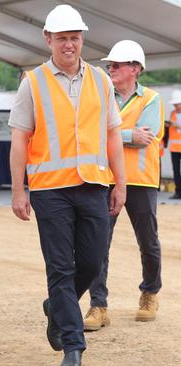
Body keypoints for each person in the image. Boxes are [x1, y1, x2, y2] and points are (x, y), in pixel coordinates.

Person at [8, 5, 126, 366]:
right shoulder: (34, 82)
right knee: (60, 267)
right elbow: (18, 139)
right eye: (62, 38)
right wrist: (17, 189)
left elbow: (113, 136)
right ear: (48, 39)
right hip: (50, 189)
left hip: (93, 186)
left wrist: (120, 184)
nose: (69, 45)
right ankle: (73, 348)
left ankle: (56, 306)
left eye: (74, 38)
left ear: (82, 39)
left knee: (91, 263)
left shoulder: (101, 81)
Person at [83, 40, 164, 330]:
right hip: (106, 180)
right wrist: (128, 135)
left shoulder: (152, 99)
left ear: (135, 69)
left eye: (116, 65)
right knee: (98, 244)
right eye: (110, 65)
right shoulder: (103, 97)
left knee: (148, 242)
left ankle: (150, 292)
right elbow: (95, 133)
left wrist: (114, 134)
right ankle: (98, 305)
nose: (111, 69)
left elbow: (149, 135)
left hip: (141, 182)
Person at [167, 90, 181, 199]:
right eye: (174, 104)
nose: (175, 106)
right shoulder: (172, 113)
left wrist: (176, 124)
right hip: (174, 148)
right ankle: (178, 192)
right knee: (176, 171)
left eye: (177, 104)